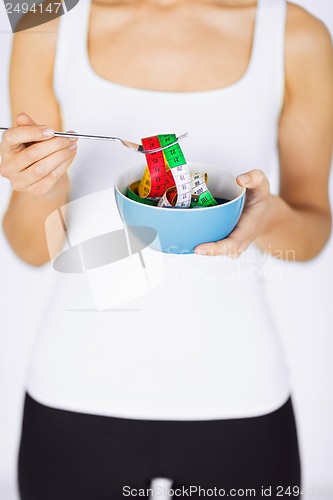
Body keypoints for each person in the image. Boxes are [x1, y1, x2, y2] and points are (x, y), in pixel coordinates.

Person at [1, 0, 332, 498]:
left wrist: (267, 216)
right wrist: (43, 187)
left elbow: (311, 236)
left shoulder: (297, 31)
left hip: (239, 394)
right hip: (75, 388)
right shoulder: (43, 17)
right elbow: (29, 248)